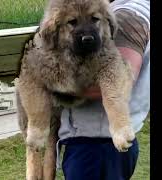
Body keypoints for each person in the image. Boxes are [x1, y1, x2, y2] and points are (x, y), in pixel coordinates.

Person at [56, 0, 150, 179]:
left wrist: (46, 82)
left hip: (97, 145)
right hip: (105, 144)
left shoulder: (124, 17)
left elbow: (116, 81)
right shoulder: (134, 7)